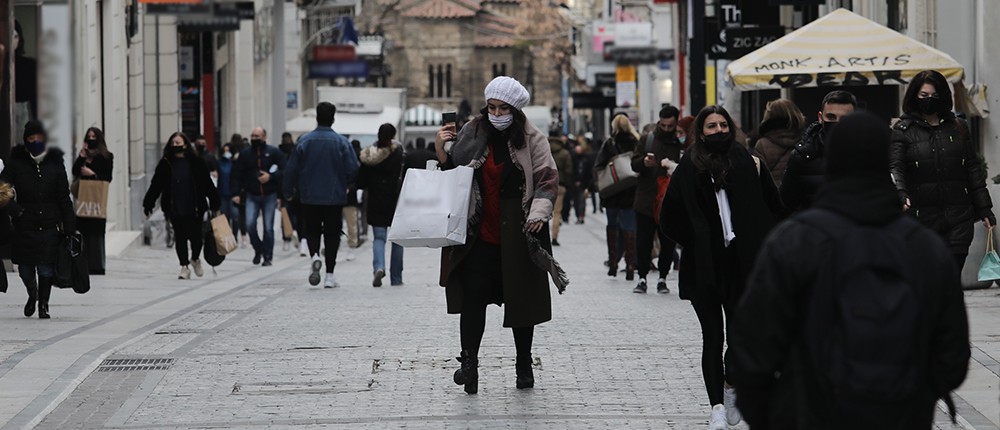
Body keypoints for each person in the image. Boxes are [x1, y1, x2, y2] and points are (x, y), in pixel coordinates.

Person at [731, 112, 971, 429]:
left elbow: (752, 347)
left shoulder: (795, 242)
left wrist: (770, 413)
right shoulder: (924, 249)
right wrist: (919, 396)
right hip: (900, 413)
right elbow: (953, 355)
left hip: (811, 412)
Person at [434, 76, 568, 395]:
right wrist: (441, 147)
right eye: (491, 107)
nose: (496, 113)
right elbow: (453, 172)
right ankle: (469, 365)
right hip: (478, 232)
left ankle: (523, 363)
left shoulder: (533, 138)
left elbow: (548, 179)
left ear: (515, 109)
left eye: (503, 108)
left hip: (520, 230)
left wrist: (538, 213)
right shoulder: (472, 131)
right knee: (472, 301)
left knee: (521, 303)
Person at [659, 105, 782, 429]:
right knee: (712, 337)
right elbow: (669, 216)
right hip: (705, 266)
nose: (717, 131)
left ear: (732, 128)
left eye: (722, 125)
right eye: (711, 126)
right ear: (700, 132)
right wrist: (696, 241)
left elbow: (774, 206)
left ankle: (731, 386)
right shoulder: (689, 166)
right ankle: (716, 405)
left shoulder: (747, 161)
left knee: (740, 337)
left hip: (743, 265)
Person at [890, 70, 995, 272]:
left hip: (959, 217)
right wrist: (900, 194)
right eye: (924, 96)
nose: (929, 100)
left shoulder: (958, 127)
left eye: (935, 96)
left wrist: (984, 209)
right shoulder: (903, 130)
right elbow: (896, 167)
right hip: (921, 220)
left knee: (951, 280)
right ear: (914, 96)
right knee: (929, 283)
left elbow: (972, 169)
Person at [2, 120, 74, 319]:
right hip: (24, 224)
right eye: (31, 139)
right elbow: (2, 190)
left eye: (38, 138)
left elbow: (64, 197)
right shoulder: (16, 163)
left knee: (46, 267)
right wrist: (15, 210)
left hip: (50, 224)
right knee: (25, 269)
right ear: (26, 141)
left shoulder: (55, 164)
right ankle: (32, 292)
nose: (35, 142)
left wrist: (70, 226)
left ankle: (44, 305)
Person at [283, 102, 360, 288]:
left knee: (312, 230)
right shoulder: (342, 142)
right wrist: (348, 184)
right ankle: (330, 275)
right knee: (332, 234)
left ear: (316, 117)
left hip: (309, 196)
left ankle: (315, 256)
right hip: (334, 197)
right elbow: (353, 170)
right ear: (333, 118)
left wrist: (288, 191)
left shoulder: (304, 141)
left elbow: (291, 169)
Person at [143, 132, 220, 280]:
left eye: (179, 143)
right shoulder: (166, 163)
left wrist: (215, 202)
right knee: (181, 237)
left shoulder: (197, 162)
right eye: (173, 143)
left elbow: (207, 184)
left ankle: (195, 258)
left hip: (195, 206)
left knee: (197, 238)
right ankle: (184, 266)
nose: (176, 146)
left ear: (185, 144)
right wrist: (148, 203)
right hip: (175, 206)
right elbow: (156, 185)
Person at [630, 106, 682, 294]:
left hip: (669, 200)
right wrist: (643, 162)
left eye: (671, 126)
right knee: (643, 242)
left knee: (667, 243)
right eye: (664, 125)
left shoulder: (680, 142)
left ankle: (662, 278)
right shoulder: (648, 139)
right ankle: (642, 277)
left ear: (676, 122)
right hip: (646, 199)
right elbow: (634, 163)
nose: (667, 129)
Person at [780, 90, 856, 212]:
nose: (837, 123)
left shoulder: (868, 156)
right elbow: (786, 205)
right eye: (831, 117)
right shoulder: (802, 157)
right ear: (820, 118)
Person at [357, 123, 405, 287]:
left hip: (376, 199)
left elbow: (361, 181)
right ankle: (396, 278)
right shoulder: (398, 153)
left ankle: (379, 267)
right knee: (397, 239)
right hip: (396, 199)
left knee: (379, 238)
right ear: (393, 135)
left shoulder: (369, 154)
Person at [232, 127, 286, 267]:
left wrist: (271, 177)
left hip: (269, 194)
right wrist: (236, 193)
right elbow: (237, 174)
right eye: (253, 136)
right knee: (250, 225)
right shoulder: (245, 154)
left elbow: (285, 170)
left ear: (264, 137)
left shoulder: (273, 152)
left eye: (257, 136)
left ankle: (268, 256)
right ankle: (258, 249)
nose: (254, 138)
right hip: (252, 193)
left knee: (268, 227)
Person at [595, 114, 639, 280]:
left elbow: (599, 165)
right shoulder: (636, 142)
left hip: (612, 191)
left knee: (612, 226)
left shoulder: (609, 143)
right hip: (630, 191)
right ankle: (630, 265)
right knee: (629, 228)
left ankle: (613, 263)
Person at [72, 127, 114, 275]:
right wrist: (82, 156)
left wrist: (93, 173)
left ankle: (97, 265)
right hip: (83, 200)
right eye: (88, 136)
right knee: (82, 232)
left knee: (96, 233)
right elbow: (75, 171)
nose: (91, 139)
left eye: (93, 136)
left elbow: (108, 177)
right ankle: (82, 265)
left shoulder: (106, 156)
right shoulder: (84, 156)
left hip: (96, 200)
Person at [750, 98, 805, 188]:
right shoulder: (805, 140)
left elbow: (758, 176)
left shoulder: (762, 144)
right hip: (798, 195)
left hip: (773, 196)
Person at [278, 131, 301, 252]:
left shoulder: (281, 152)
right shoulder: (294, 151)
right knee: (293, 214)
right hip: (293, 189)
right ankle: (292, 234)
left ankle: (288, 237)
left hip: (286, 189)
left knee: (286, 215)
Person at [549, 132, 573, 246]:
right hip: (560, 185)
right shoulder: (565, 153)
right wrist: (567, 184)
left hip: (546, 185)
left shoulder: (544, 151)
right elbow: (569, 171)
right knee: (557, 212)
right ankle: (554, 236)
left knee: (542, 212)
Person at [217, 142, 240, 242]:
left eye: (228, 151)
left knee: (234, 215)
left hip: (232, 193)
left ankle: (234, 236)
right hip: (222, 193)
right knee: (224, 216)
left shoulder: (235, 164)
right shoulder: (219, 163)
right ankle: (226, 237)